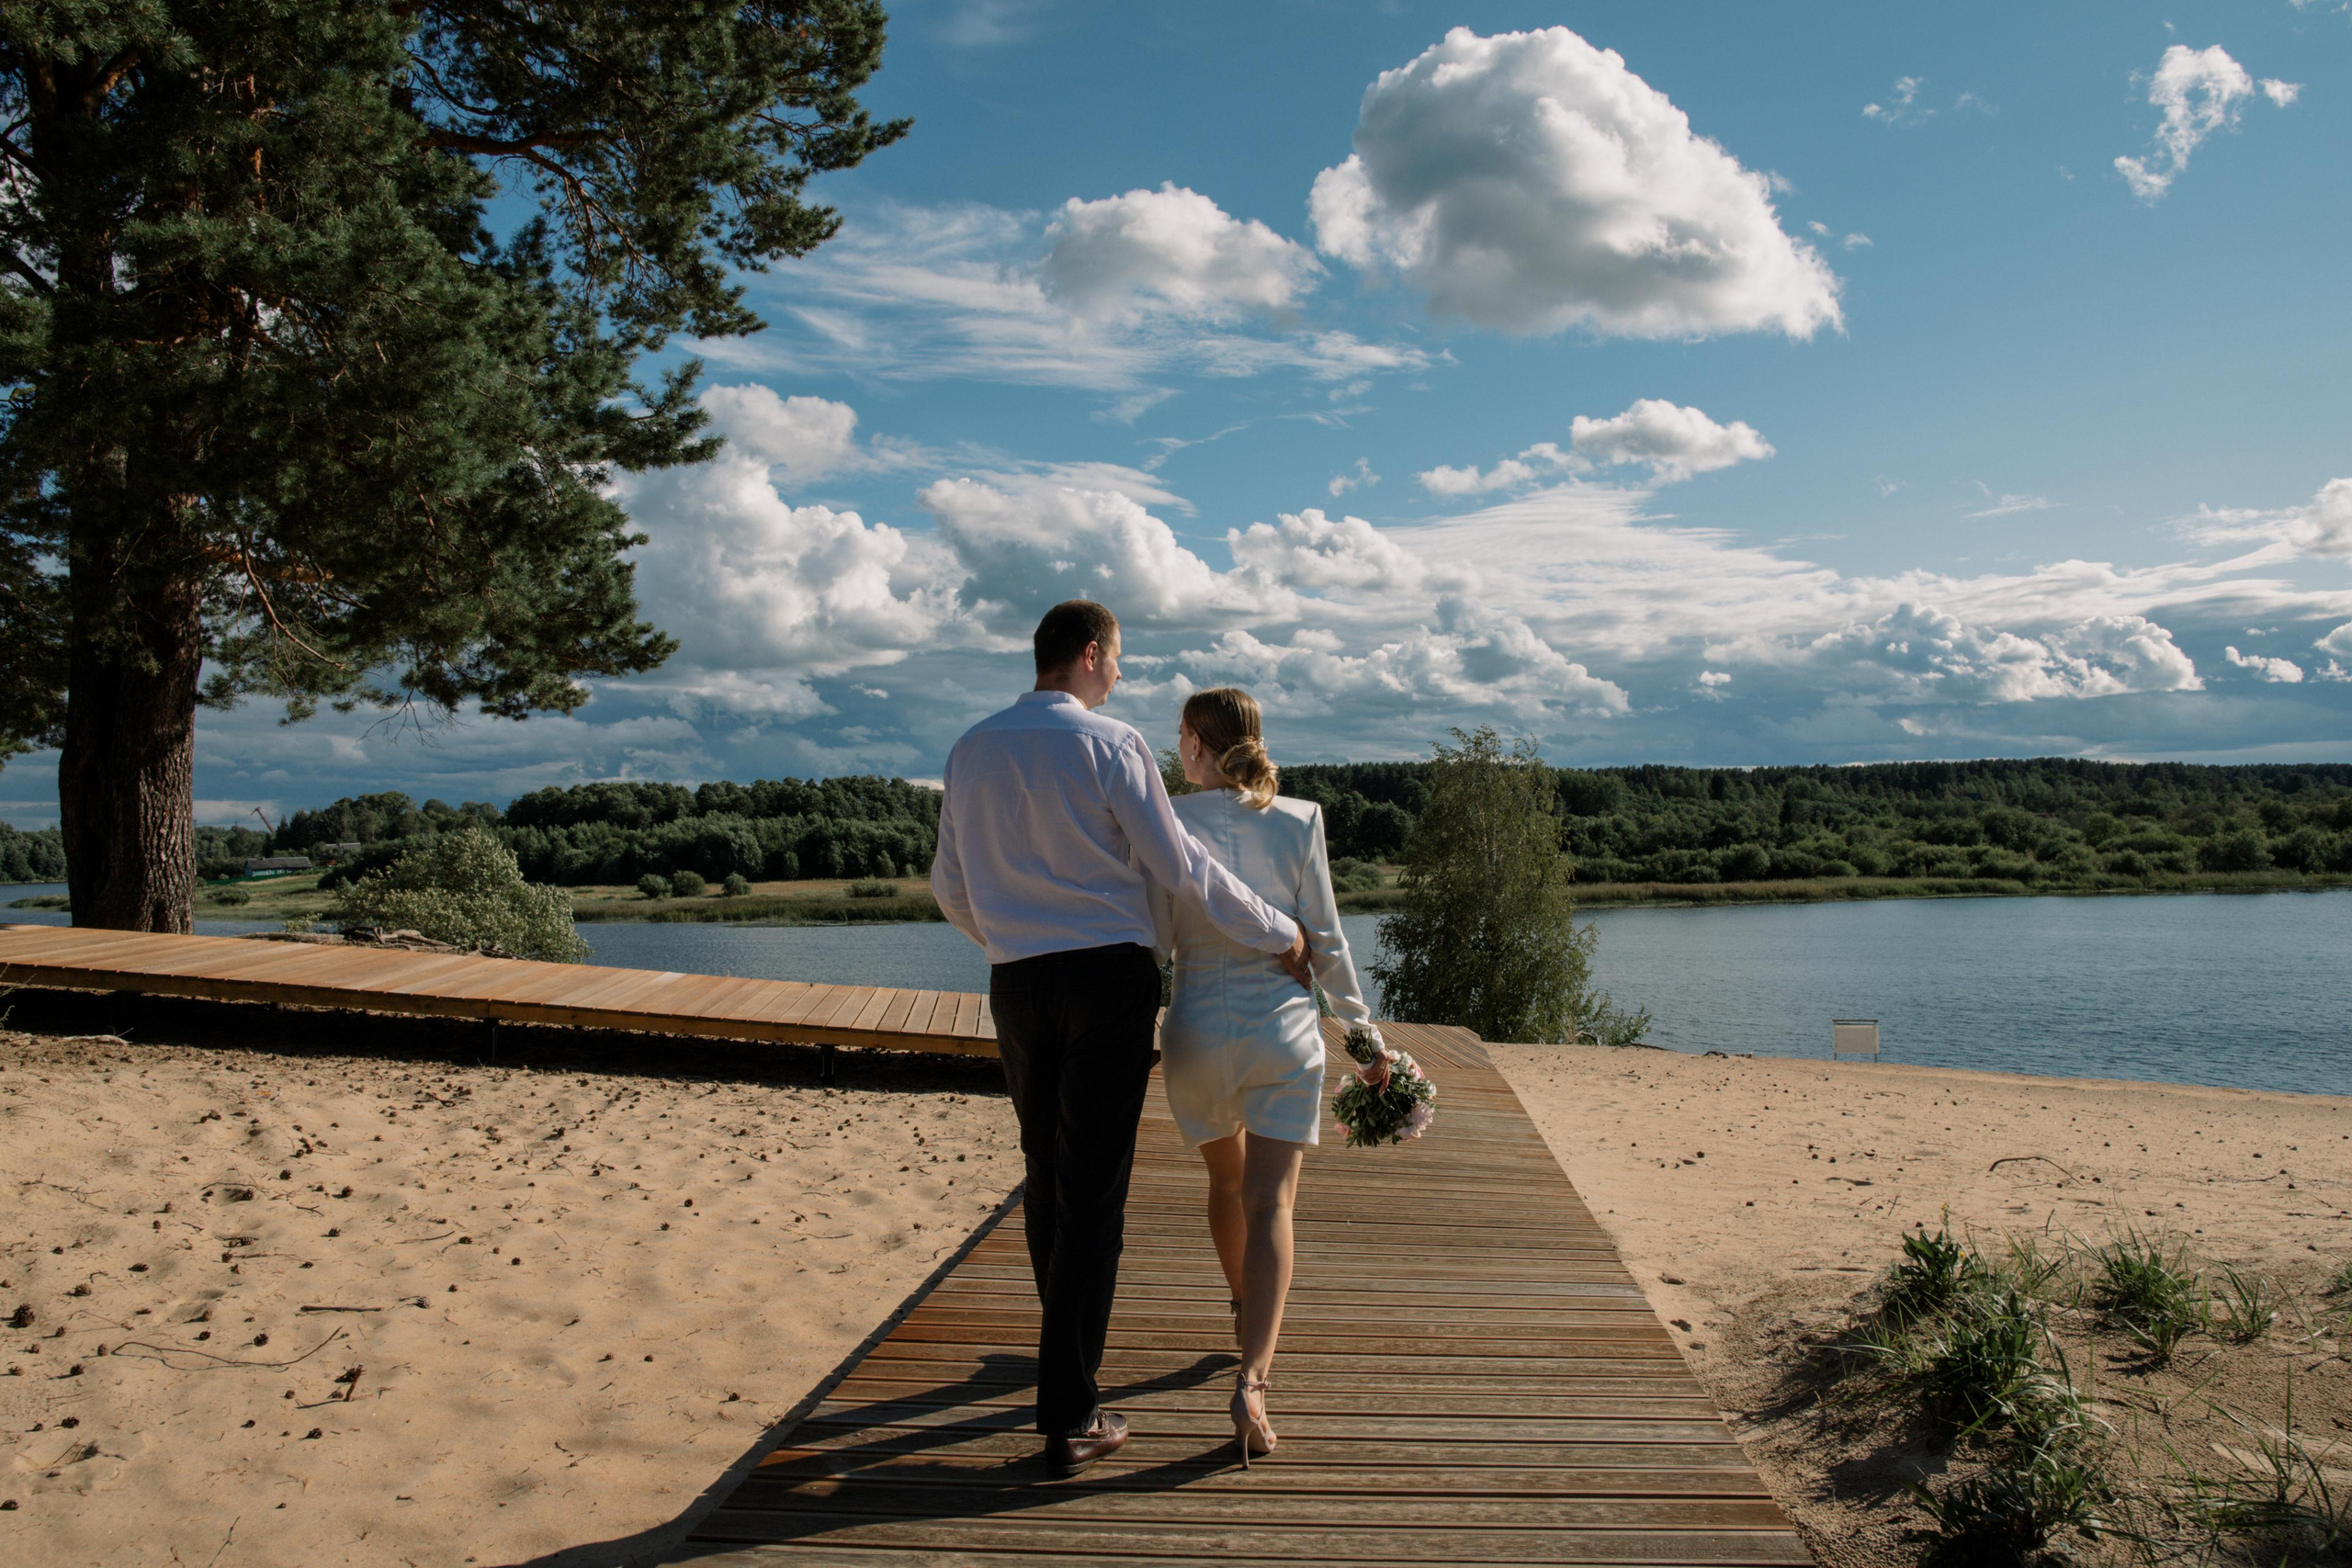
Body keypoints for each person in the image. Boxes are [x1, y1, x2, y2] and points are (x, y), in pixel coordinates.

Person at [931, 601, 1315, 1477]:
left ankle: (1066, 1374)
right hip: (1105, 978)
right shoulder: (1112, 745)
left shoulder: (971, 747)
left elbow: (949, 885)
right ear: (1092, 654)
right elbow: (1178, 866)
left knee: (1048, 1177)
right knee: (1094, 1192)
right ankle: (1071, 1414)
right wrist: (1277, 931)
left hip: (1018, 982)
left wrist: (1008, 939)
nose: (1122, 676)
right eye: (1120, 660)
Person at [1158, 686, 1385, 1466]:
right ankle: (1254, 1378)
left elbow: (1150, 938)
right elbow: (1326, 938)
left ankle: (1242, 1306)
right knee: (1272, 1200)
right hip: (1282, 1031)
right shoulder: (1301, 818)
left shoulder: (1167, 822)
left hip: (1194, 1030)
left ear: (1193, 744)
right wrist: (1365, 1039)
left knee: (1226, 1188)